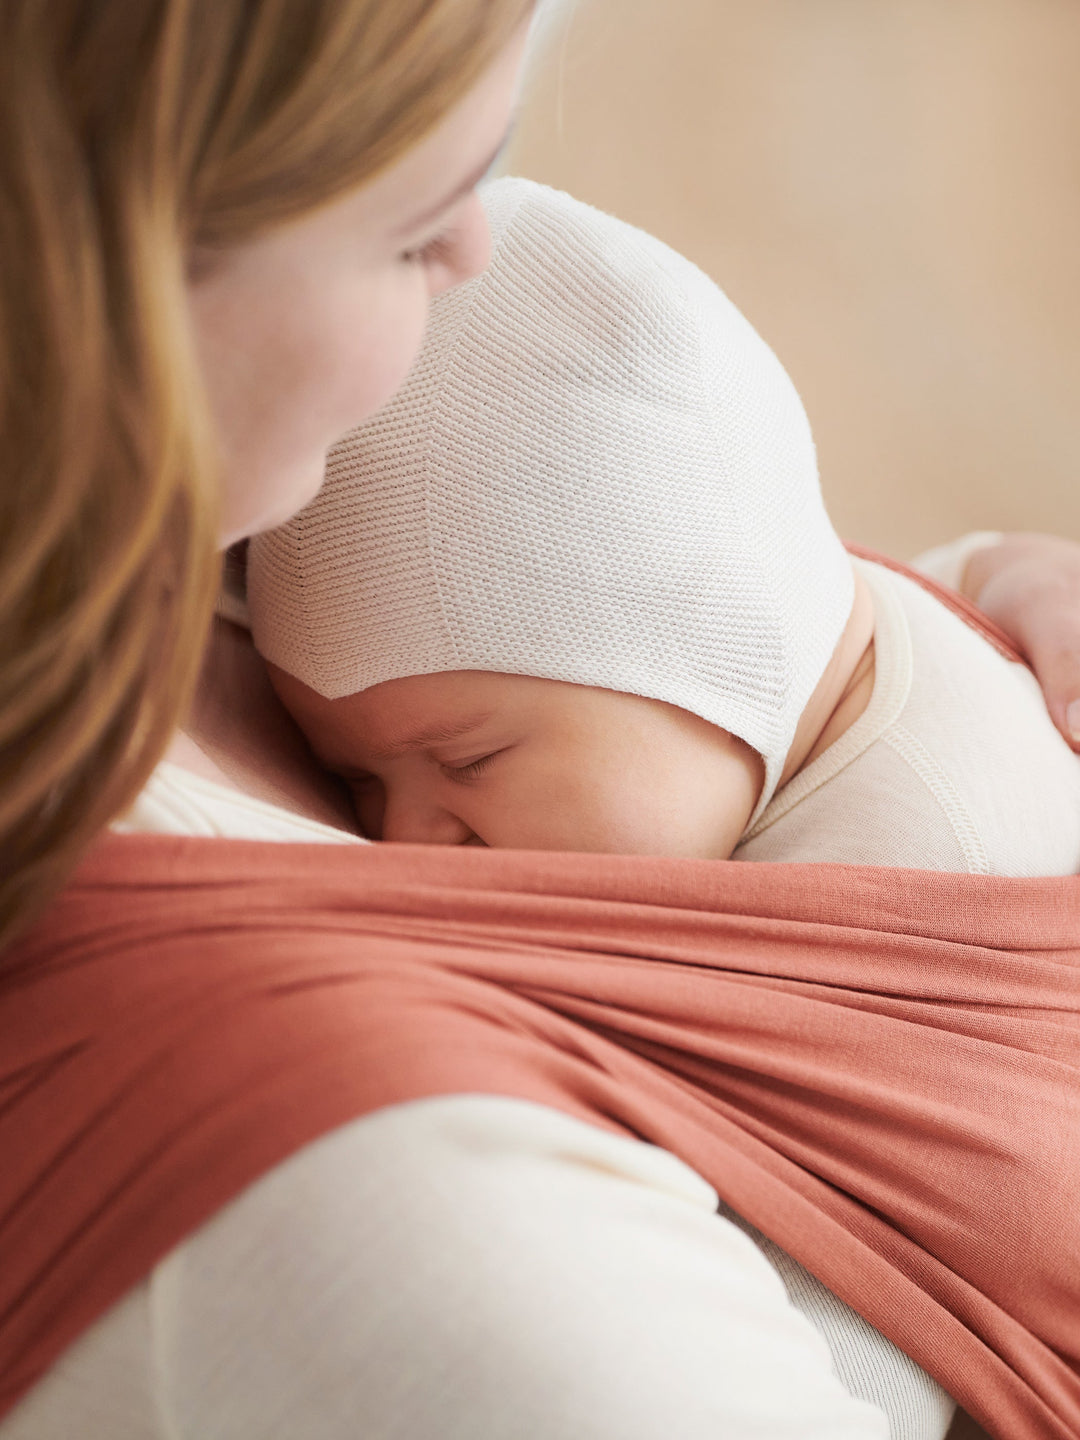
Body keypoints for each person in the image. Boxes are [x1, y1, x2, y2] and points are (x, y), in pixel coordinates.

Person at [2, 4, 1080, 1438]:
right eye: (413, 217)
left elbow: (775, 635)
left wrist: (982, 587)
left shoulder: (271, 533)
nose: (475, 251)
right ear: (107, 228)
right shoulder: (412, 1203)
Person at [249, 178, 1080, 885]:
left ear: (715, 647)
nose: (405, 842)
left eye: (469, 763)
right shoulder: (837, 649)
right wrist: (984, 568)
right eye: (353, 780)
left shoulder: (911, 869)